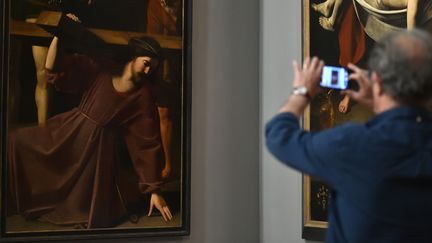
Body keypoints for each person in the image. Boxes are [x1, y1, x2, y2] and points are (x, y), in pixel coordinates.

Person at [266, 29, 432, 242]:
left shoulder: (352, 145)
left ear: (378, 83)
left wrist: (302, 91)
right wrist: (381, 106)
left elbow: (279, 136)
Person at [7, 15, 173, 228]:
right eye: (146, 64)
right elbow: (54, 71)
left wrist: (154, 192)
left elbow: (146, 142)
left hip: (97, 151)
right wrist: (61, 35)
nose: (148, 71)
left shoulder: (143, 95)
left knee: (79, 203)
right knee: (16, 141)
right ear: (135, 57)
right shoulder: (102, 67)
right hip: (70, 130)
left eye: (153, 68)